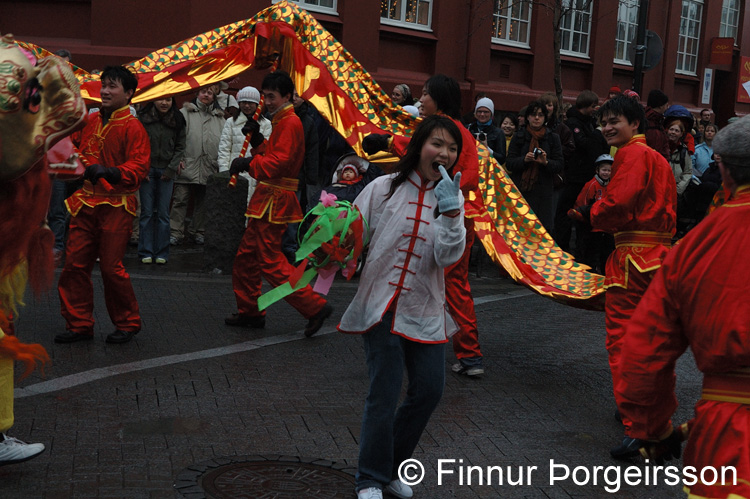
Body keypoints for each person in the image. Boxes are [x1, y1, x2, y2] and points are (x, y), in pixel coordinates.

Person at [614, 116, 750, 499]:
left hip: (725, 445)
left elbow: (643, 351)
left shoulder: (695, 246)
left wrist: (654, 430)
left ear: (723, 170)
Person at [340, 115, 467, 499]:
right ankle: (369, 477)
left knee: (429, 391)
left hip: (425, 308)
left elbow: (448, 257)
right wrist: (331, 237)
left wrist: (450, 214)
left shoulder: (453, 198)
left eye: (452, 148)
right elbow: (351, 237)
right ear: (418, 146)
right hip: (381, 306)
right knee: (384, 391)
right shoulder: (382, 188)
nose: (444, 153)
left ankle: (390, 465)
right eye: (437, 144)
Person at [363, 73, 484, 377]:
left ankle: (467, 354)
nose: (420, 99)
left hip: (449, 215)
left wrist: (388, 141)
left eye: (426, 93)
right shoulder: (457, 131)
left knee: (449, 282)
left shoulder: (449, 130)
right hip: (450, 212)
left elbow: (418, 150)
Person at [583, 95, 677, 458]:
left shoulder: (631, 155)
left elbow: (619, 202)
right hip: (658, 258)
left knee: (624, 343)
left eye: (614, 121)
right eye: (603, 122)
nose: (607, 128)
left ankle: (640, 428)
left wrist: (594, 213)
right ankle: (655, 420)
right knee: (655, 343)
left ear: (634, 123)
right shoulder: (657, 158)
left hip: (633, 260)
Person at [225, 71, 332, 336]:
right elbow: (274, 156)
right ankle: (250, 311)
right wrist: (260, 143)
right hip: (268, 199)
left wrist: (248, 163)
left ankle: (314, 306)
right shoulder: (283, 120)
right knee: (246, 259)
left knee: (270, 260)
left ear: (287, 97)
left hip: (274, 201)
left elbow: (278, 164)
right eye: (266, 96)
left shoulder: (290, 122)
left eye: (272, 97)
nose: (267, 101)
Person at [56, 66, 150, 344]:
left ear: (129, 93)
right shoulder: (90, 121)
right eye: (104, 85)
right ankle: (79, 323)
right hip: (84, 204)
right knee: (74, 265)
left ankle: (128, 322)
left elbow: (139, 165)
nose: (105, 91)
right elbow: (69, 146)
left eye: (113, 87)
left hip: (116, 207)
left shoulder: (133, 127)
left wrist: (112, 172)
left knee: (111, 268)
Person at [553, 90, 608, 253]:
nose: (595, 109)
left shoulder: (588, 122)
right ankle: (563, 245)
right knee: (567, 210)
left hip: (586, 174)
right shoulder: (574, 123)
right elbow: (585, 145)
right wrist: (597, 133)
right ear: (585, 106)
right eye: (593, 106)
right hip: (576, 175)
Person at [171, 85, 225, 245]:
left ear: (214, 97)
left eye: (209, 93)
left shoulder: (220, 118)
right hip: (187, 164)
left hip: (209, 166)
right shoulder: (184, 113)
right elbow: (176, 139)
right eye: (203, 92)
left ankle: (198, 231)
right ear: (197, 93)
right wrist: (178, 159)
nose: (206, 95)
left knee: (204, 201)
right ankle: (175, 232)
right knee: (180, 199)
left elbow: (223, 143)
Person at [137, 97, 186, 265]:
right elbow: (138, 145)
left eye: (168, 100)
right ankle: (145, 251)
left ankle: (162, 253)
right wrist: (142, 169)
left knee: (164, 214)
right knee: (147, 212)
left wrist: (171, 169)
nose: (164, 103)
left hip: (167, 170)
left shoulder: (177, 119)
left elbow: (180, 146)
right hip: (147, 170)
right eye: (160, 99)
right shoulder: (143, 117)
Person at [506, 100, 564, 232]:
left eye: (540, 115)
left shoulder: (553, 138)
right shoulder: (519, 136)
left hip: (544, 192)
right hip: (521, 190)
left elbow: (559, 164)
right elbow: (509, 163)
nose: (536, 118)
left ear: (545, 118)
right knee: (519, 229)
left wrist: (545, 162)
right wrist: (524, 160)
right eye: (533, 114)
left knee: (542, 230)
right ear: (527, 117)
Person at [217, 85, 272, 204]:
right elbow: (224, 149)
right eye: (244, 102)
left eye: (251, 103)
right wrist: (225, 172)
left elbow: (266, 151)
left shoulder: (266, 124)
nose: (247, 106)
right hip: (235, 172)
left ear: (257, 104)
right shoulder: (231, 122)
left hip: (255, 173)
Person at [567, 154, 614, 274]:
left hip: (606, 228)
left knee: (606, 254)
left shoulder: (613, 185)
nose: (606, 173)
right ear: (597, 170)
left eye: (609, 170)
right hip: (590, 227)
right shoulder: (591, 185)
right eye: (604, 170)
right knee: (589, 255)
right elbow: (581, 205)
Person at [466, 97, 506, 166]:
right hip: (470, 167)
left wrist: (487, 149)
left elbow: (502, 159)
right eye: (479, 111)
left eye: (486, 112)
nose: (482, 114)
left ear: (491, 114)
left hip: (489, 171)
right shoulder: (468, 129)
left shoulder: (498, 133)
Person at [644, 89, 670, 160]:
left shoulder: (658, 121)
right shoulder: (648, 122)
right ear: (661, 106)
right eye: (666, 105)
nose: (667, 108)